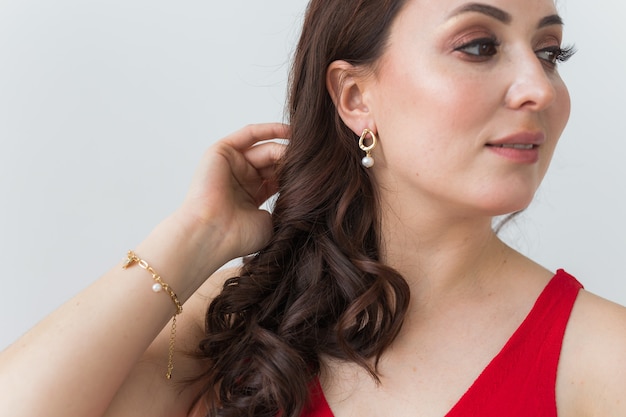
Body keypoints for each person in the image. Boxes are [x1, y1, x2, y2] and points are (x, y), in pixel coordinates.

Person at [1, 0, 625, 416]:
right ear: (354, 96)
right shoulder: (248, 318)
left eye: (550, 52)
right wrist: (194, 235)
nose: (540, 88)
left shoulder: (603, 356)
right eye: (479, 46)